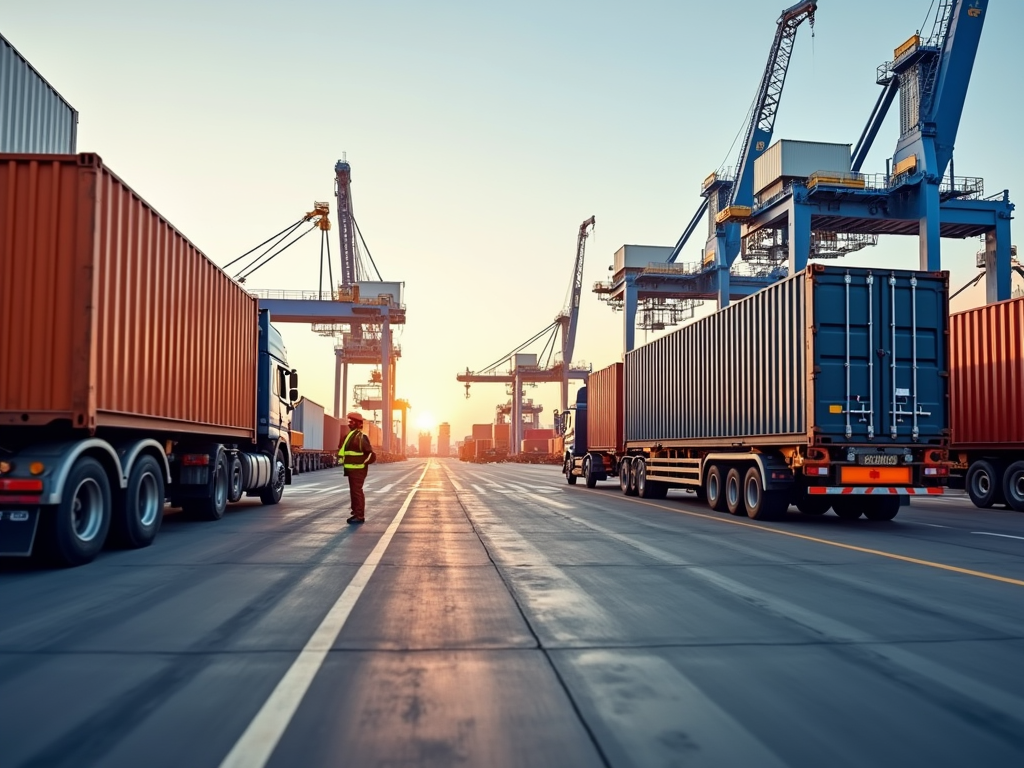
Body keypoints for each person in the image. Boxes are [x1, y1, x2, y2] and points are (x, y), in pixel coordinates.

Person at [338, 411, 375, 524]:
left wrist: (362, 463)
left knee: (357, 492)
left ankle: (359, 515)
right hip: (351, 469)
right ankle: (355, 512)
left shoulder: (361, 437)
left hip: (358, 469)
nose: (349, 423)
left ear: (358, 423)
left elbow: (371, 454)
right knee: (354, 492)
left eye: (351, 421)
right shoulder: (350, 436)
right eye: (349, 421)